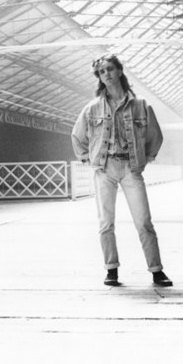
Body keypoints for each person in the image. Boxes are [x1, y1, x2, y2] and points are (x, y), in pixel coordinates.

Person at [71, 54, 172, 287]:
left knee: (143, 221)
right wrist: (88, 158)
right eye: (101, 71)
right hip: (104, 168)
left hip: (130, 168)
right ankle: (111, 269)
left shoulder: (141, 105)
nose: (106, 74)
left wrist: (145, 158)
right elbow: (77, 136)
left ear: (119, 71)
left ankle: (157, 271)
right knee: (105, 222)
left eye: (110, 69)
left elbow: (155, 135)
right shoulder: (92, 108)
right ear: (99, 77)